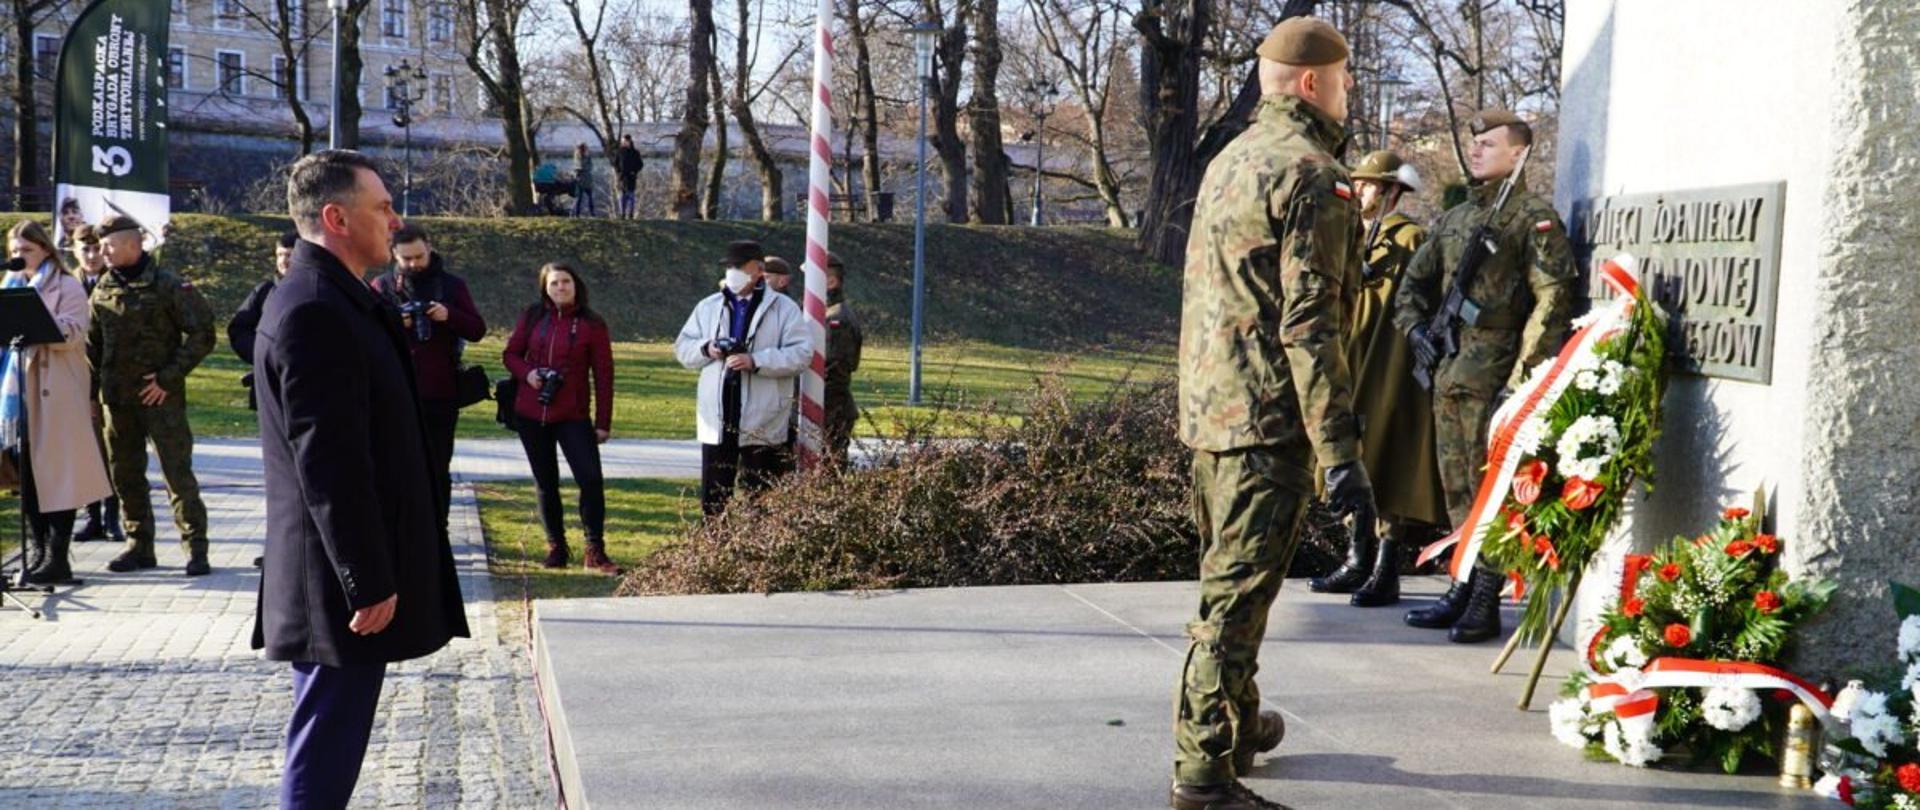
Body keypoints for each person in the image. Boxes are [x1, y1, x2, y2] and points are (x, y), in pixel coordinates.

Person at [1169, 18, 1371, 810]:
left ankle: (1240, 723)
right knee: (1232, 607)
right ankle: (1204, 776)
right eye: (1346, 80)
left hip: (1212, 414)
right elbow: (1311, 324)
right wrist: (1340, 450)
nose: (1347, 93)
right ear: (1317, 82)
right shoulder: (1313, 173)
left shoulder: (1233, 159)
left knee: (1230, 585)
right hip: (1268, 420)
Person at [254, 149, 468, 809]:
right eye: (381, 207)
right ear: (335, 217)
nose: (394, 219)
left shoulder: (340, 297)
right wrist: (366, 577)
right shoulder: (316, 307)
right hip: (336, 582)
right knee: (324, 745)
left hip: (339, 573)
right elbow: (329, 460)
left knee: (330, 736)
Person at [1394, 109, 1576, 644]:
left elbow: (1553, 296)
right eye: (1474, 144)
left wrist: (1525, 374)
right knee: (1457, 486)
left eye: (1489, 144)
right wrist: (1417, 333)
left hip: (1496, 370)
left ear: (1518, 154)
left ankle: (1485, 599)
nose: (1476, 150)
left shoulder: (1532, 218)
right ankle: (1461, 582)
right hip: (1450, 367)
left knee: (1491, 490)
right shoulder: (1455, 220)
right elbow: (1412, 287)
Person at [1308, 150, 1444, 607]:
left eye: (1367, 184)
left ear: (1389, 190)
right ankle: (1356, 557)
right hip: (1350, 360)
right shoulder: (1352, 235)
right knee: (1352, 455)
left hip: (1390, 365)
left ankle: (1385, 567)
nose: (1359, 190)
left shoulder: (1412, 239)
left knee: (1389, 458)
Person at [88, 214, 216, 576]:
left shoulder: (167, 284)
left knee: (177, 475)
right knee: (125, 475)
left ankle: (196, 548)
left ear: (134, 243)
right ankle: (139, 546)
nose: (104, 252)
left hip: (161, 399)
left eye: (110, 245)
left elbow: (202, 333)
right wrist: (91, 396)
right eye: (102, 246)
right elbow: (92, 347)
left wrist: (168, 378)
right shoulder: (103, 287)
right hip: (117, 401)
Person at [4, 221, 113, 585]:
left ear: (46, 250)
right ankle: (36, 552)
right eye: (15, 252)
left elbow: (74, 331)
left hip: (54, 392)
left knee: (57, 476)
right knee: (28, 478)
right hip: (18, 397)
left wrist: (36, 319)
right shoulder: (10, 286)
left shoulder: (66, 286)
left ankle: (58, 556)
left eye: (27, 251)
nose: (20, 258)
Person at [673, 240, 811, 516]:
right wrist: (707, 348)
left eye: (739, 267)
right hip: (719, 414)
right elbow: (683, 347)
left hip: (763, 415)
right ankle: (715, 546)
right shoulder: (709, 306)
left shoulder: (783, 309)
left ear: (758, 270)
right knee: (714, 494)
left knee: (761, 495)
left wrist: (757, 361)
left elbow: (801, 354)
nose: (733, 272)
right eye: (729, 267)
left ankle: (758, 550)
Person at [370, 225, 486, 541]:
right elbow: (365, 336)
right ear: (394, 255)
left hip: (440, 393)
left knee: (437, 468)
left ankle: (438, 530)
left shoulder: (451, 286)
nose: (413, 264)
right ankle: (398, 530)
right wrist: (397, 322)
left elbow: (477, 329)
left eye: (419, 256)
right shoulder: (381, 286)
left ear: (430, 248)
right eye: (406, 258)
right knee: (394, 467)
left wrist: (449, 316)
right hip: (394, 394)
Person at [501, 263, 619, 574]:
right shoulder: (533, 316)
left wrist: (602, 422)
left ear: (576, 285)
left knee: (590, 479)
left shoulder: (592, 324)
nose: (560, 288)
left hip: (573, 414)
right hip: (531, 411)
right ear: (545, 288)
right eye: (554, 284)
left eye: (565, 282)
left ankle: (594, 549)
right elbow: (510, 354)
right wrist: (529, 374)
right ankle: (556, 546)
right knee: (545, 481)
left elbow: (604, 375)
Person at [67, 224, 124, 545]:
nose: (91, 256)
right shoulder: (67, 284)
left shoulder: (114, 282)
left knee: (109, 450)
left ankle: (113, 516)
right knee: (84, 452)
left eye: (95, 249)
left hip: (108, 379)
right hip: (74, 379)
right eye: (84, 249)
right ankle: (92, 517)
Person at [229, 230, 298, 412]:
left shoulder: (318, 289)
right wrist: (263, 355)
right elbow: (238, 330)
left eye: (289, 255)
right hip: (269, 382)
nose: (284, 261)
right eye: (280, 255)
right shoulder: (264, 292)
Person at [822, 254, 863, 467]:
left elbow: (835, 369)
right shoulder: (826, 312)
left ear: (831, 281)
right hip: (827, 408)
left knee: (828, 471)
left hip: (831, 411)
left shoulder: (837, 319)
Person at [613, 134, 644, 219]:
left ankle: (630, 214)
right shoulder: (619, 152)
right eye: (623, 141)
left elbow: (640, 164)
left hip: (631, 177)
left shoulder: (635, 152)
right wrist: (619, 172)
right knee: (622, 196)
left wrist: (634, 171)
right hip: (622, 177)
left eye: (626, 141)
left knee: (631, 196)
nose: (625, 143)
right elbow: (615, 164)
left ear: (630, 141)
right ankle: (622, 214)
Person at [571, 143, 597, 218]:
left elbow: (590, 166)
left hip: (586, 180)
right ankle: (577, 213)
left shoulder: (587, 157)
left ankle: (591, 213)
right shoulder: (578, 157)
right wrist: (583, 168)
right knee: (579, 198)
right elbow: (580, 166)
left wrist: (583, 168)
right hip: (581, 180)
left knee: (589, 198)